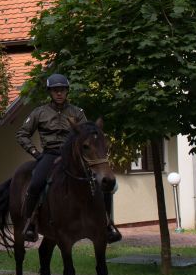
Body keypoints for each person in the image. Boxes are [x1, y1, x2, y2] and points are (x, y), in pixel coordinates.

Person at [16, 73, 121, 244]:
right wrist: (36, 153)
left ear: (67, 92)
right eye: (55, 90)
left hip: (73, 157)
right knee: (36, 182)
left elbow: (89, 135)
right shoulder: (39, 112)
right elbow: (22, 134)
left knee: (105, 184)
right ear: (50, 92)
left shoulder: (77, 112)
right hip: (49, 154)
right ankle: (31, 223)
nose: (59, 93)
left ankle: (107, 224)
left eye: (62, 90)